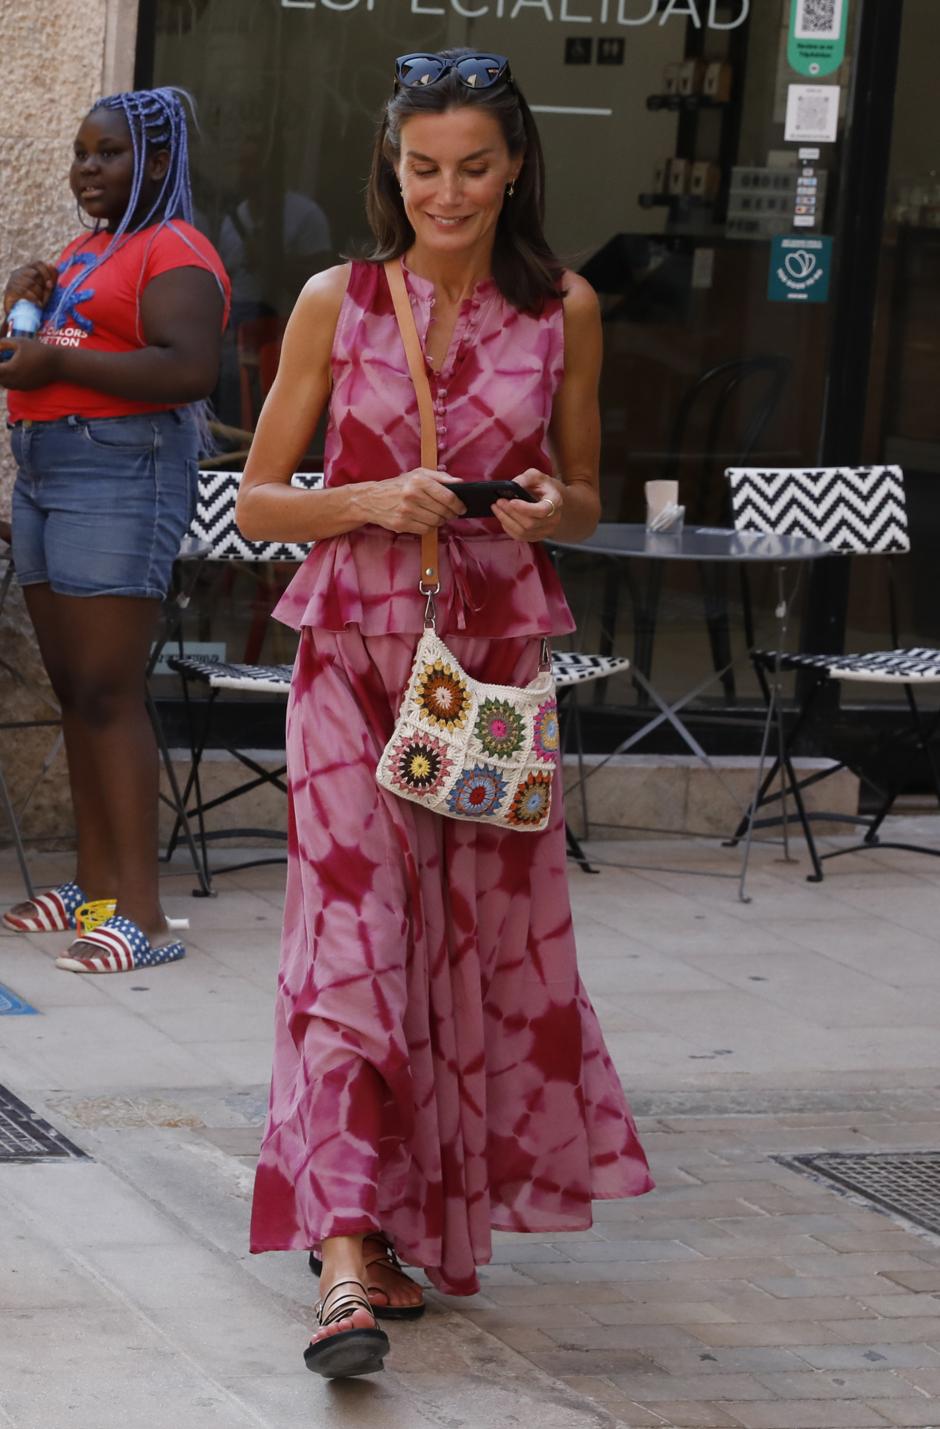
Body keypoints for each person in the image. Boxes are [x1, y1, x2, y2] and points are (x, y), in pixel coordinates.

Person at [237, 50, 653, 1379]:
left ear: (517, 164)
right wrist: (370, 498)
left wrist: (546, 514)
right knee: (355, 938)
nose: (448, 191)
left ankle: (402, 1214)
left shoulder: (563, 311)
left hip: (487, 667)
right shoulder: (334, 300)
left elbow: (585, 494)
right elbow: (256, 501)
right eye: (425, 167)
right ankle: (348, 1247)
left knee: (460, 946)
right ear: (393, 166)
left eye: (474, 165)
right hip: (352, 655)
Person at [0, 88, 230, 974]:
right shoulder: (89, 250)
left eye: (108, 155)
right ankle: (94, 889)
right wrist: (25, 307)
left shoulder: (176, 250)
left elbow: (188, 367)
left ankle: (144, 915)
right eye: (80, 153)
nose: (85, 171)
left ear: (159, 164)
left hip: (119, 470)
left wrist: (55, 357)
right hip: (49, 466)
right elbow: (53, 351)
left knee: (109, 688)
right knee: (73, 686)